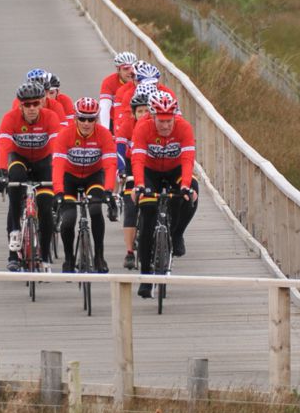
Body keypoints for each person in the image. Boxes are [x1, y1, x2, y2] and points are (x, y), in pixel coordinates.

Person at [131, 92, 199, 298]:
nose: (166, 126)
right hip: (150, 172)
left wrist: (186, 186)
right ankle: (145, 277)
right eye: (161, 121)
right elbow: (138, 160)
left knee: (190, 196)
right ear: (152, 116)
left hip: (175, 171)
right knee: (147, 215)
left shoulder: (184, 128)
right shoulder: (142, 128)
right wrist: (140, 185)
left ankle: (177, 234)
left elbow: (188, 159)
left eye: (169, 121)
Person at [0, 81, 61, 271]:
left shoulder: (50, 118)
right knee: (15, 185)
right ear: (20, 104)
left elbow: (57, 149)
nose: (32, 108)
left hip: (43, 162)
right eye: (27, 105)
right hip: (20, 159)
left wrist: (58, 177)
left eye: (35, 103)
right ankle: (14, 239)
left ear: (42, 102)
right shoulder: (10, 118)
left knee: (46, 205)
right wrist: (1, 173)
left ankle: (46, 255)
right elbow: (4, 147)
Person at [53, 96, 119, 273]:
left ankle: (99, 256)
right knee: (68, 221)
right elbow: (58, 165)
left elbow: (110, 165)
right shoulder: (65, 135)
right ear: (75, 118)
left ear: (97, 119)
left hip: (93, 176)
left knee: (96, 209)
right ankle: (69, 259)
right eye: (82, 118)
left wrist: (109, 191)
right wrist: (58, 191)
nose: (86, 123)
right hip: (69, 178)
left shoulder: (104, 135)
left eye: (91, 119)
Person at [114, 85, 153, 269]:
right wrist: (122, 170)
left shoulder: (154, 126)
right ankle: (129, 252)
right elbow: (120, 150)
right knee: (130, 208)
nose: (144, 114)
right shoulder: (127, 126)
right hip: (131, 165)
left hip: (149, 165)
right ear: (133, 113)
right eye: (140, 111)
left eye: (147, 110)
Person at [112, 60, 179, 129]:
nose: (150, 86)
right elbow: (121, 121)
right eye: (146, 83)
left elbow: (178, 118)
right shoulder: (128, 94)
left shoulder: (167, 93)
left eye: (154, 83)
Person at [99, 51, 137, 129]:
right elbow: (104, 107)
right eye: (126, 69)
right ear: (118, 70)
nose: (130, 72)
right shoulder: (109, 82)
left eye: (133, 68)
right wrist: (105, 130)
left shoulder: (141, 81)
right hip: (114, 120)